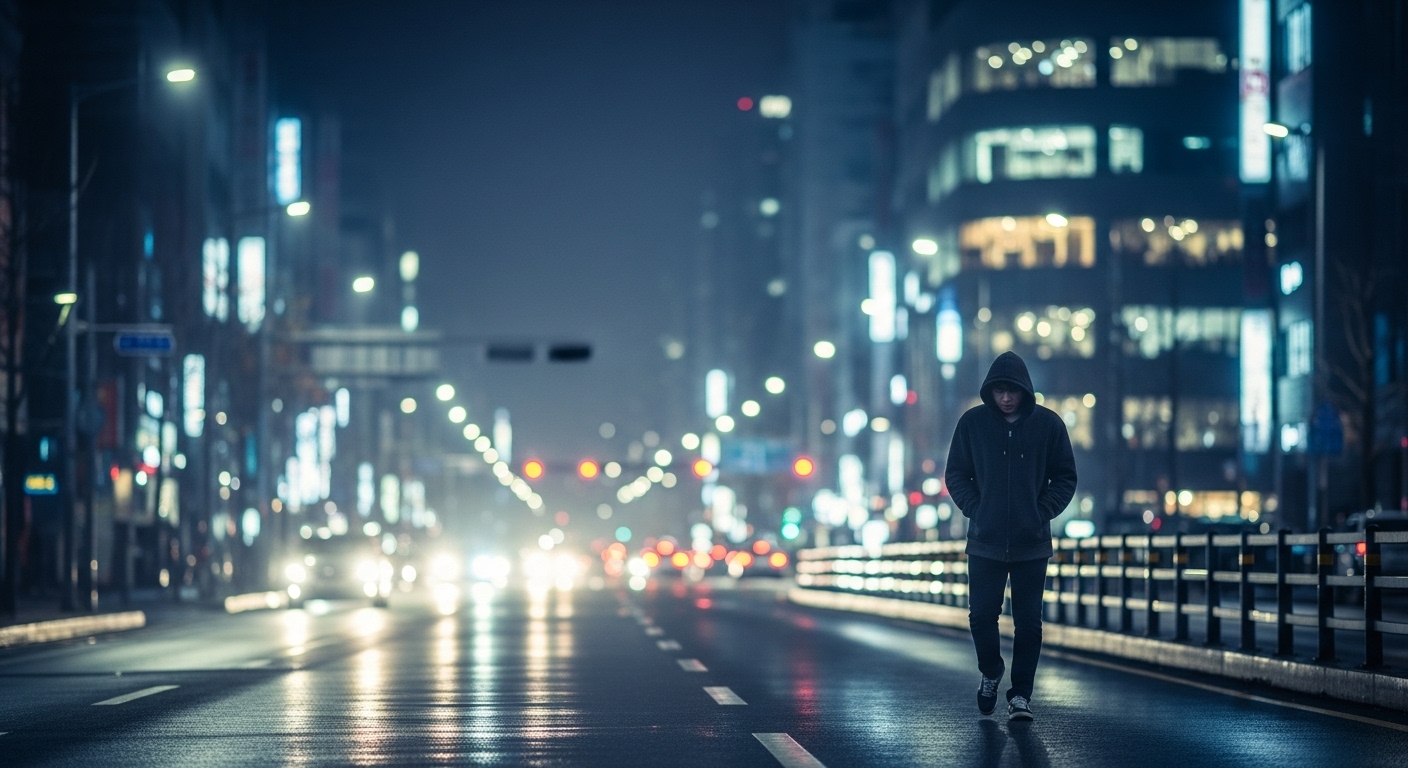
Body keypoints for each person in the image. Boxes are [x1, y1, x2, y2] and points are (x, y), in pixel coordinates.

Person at [944, 351, 1077, 722]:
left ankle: (1021, 696)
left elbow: (1065, 476)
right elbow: (956, 474)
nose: (1006, 398)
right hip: (984, 540)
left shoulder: (1048, 425)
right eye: (1000, 391)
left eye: (1012, 391)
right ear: (990, 391)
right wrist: (976, 508)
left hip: (1031, 542)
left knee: (1028, 622)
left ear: (1024, 391)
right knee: (981, 616)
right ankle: (991, 671)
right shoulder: (972, 423)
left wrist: (1042, 511)